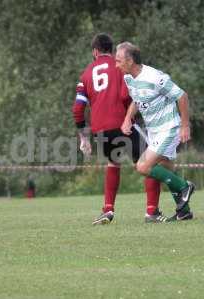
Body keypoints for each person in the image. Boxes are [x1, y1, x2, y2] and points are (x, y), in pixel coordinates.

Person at [72, 33, 164, 225]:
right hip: (122, 123)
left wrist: (84, 138)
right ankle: (151, 211)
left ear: (95, 51)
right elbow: (125, 95)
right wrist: (132, 115)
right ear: (111, 50)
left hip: (100, 130)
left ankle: (108, 209)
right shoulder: (119, 67)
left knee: (113, 163)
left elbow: (78, 108)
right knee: (149, 163)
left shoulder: (86, 74)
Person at [116, 41, 195, 221]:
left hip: (169, 128)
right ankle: (184, 212)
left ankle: (185, 187)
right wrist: (128, 117)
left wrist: (185, 126)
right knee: (167, 168)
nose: (116, 65)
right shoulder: (128, 78)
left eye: (118, 60)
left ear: (130, 60)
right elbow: (136, 100)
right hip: (154, 131)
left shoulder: (155, 77)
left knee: (143, 166)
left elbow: (182, 96)